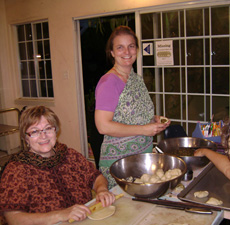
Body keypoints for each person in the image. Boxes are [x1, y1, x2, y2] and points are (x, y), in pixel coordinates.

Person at [0, 106, 115, 225]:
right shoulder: (17, 169)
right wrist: (60, 215)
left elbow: (96, 177)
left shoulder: (70, 155)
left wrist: (101, 190)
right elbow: (13, 218)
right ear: (26, 138)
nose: (43, 136)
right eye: (34, 131)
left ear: (56, 131)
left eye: (48, 129)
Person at [95, 25, 170, 189]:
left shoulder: (136, 78)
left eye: (131, 46)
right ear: (112, 52)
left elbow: (134, 114)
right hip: (119, 162)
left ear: (136, 49)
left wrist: (154, 120)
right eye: (120, 47)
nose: (127, 52)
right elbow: (103, 126)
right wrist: (144, 129)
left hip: (142, 156)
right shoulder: (109, 82)